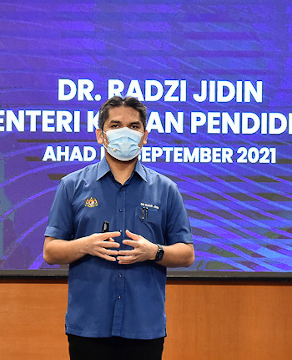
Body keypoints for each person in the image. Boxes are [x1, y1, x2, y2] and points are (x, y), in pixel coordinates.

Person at [44, 95, 194, 360]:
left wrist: (154, 252)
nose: (125, 133)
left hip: (144, 327)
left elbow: (187, 254)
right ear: (100, 135)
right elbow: (50, 252)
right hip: (88, 326)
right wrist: (85, 245)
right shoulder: (72, 185)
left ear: (145, 136)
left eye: (134, 127)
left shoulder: (166, 190)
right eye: (115, 126)